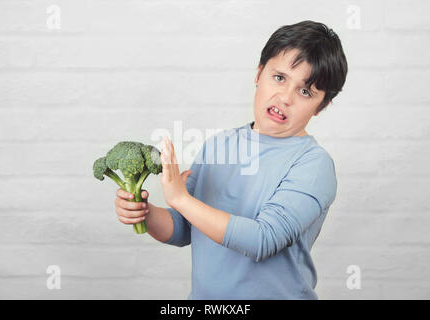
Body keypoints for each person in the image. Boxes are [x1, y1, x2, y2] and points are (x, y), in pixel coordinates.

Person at [114, 20, 348, 299]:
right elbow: (183, 228)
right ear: (259, 73)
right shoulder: (218, 145)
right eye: (279, 77)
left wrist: (181, 199)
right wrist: (145, 212)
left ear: (320, 106)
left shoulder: (314, 165)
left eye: (305, 91)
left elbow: (264, 240)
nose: (285, 97)